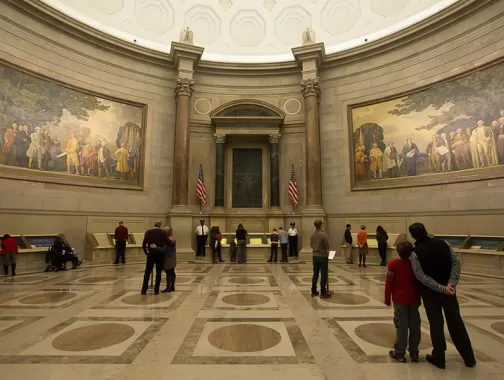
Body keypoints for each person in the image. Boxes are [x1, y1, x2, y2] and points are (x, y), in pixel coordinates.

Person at [408, 223, 476, 369]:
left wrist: (441, 288)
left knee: (436, 324)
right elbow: (456, 263)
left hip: (431, 294)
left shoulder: (415, 252)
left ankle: (439, 357)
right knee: (456, 322)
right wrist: (451, 284)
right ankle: (469, 357)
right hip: (449, 292)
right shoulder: (443, 243)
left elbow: (421, 276)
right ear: (426, 231)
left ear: (413, 236)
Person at [384, 241, 421, 363]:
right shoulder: (414, 265)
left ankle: (399, 352)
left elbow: (389, 283)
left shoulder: (393, 264)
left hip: (400, 299)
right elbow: (418, 283)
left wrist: (386, 298)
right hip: (413, 298)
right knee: (415, 326)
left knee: (401, 326)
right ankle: (414, 352)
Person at [141, 220, 171, 295]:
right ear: (160, 225)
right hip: (160, 255)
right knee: (158, 272)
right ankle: (156, 290)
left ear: (154, 224)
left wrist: (146, 252)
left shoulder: (148, 232)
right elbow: (168, 241)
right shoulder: (163, 232)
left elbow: (144, 243)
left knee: (147, 272)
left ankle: (144, 290)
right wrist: (173, 243)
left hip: (151, 254)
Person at [310, 220, 331, 299]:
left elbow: (311, 245)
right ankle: (323, 292)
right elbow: (327, 246)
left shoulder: (312, 235)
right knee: (323, 274)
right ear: (321, 225)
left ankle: (313, 291)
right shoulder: (324, 235)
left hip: (314, 256)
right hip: (322, 256)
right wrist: (327, 255)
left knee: (315, 274)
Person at [162, 226, 176, 293]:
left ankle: (168, 288)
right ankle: (172, 286)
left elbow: (164, 249)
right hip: (173, 256)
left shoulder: (166, 240)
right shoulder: (172, 238)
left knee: (168, 272)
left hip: (168, 257)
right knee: (172, 272)